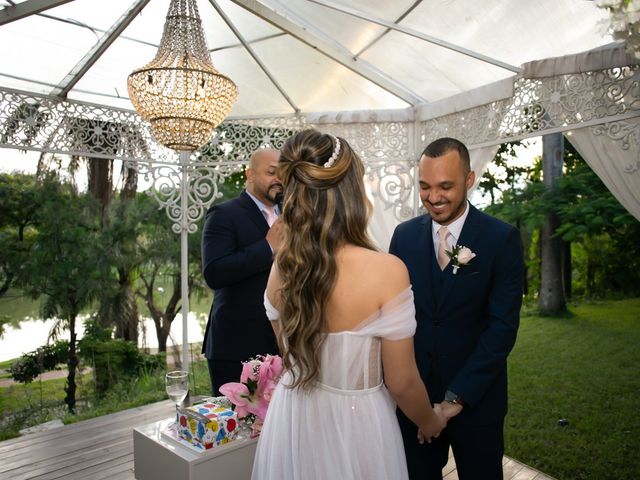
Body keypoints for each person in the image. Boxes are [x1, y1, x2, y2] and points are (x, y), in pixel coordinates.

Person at [251, 129, 446, 480]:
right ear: (352, 190)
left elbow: (289, 351)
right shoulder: (387, 271)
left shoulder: (283, 265)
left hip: (294, 417)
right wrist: (430, 421)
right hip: (358, 425)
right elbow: (401, 382)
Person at [389, 137, 524, 479]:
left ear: (469, 179)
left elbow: (502, 327)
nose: (433, 198)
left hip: (478, 401)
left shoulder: (501, 238)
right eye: (425, 186)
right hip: (415, 401)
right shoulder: (403, 237)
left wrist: (457, 398)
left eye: (445, 186)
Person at [201, 148, 283, 395]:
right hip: (236, 347)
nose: (278, 178)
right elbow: (214, 272)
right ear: (250, 174)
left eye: (283, 173)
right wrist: (268, 246)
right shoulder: (224, 214)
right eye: (271, 172)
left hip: (282, 344)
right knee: (239, 430)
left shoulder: (292, 215)